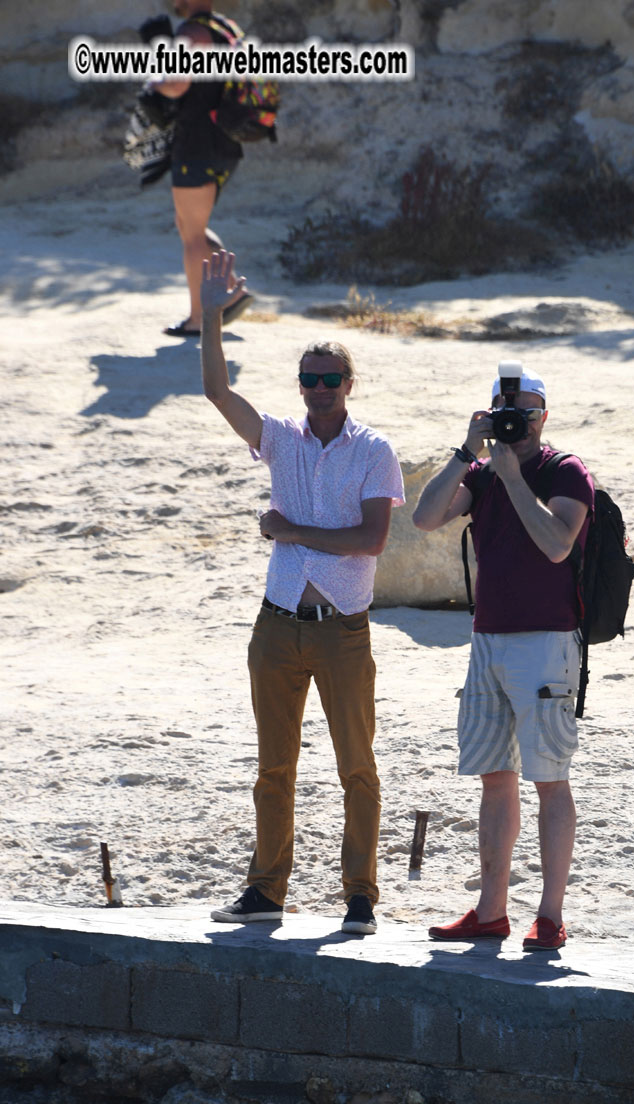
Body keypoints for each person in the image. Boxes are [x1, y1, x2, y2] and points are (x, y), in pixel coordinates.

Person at [201, 249, 405, 933]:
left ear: (350, 383)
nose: (319, 388)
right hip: (277, 624)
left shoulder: (372, 449)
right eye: (310, 378)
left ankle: (360, 895)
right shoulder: (281, 441)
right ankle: (266, 891)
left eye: (331, 378)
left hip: (343, 626)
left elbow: (371, 539)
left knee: (357, 767)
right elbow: (218, 394)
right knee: (272, 768)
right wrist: (210, 317)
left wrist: (290, 529)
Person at [412, 367, 594, 950]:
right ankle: (491, 911)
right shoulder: (482, 473)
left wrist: (514, 478)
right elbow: (424, 518)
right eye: (504, 414)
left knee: (550, 780)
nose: (515, 424)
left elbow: (557, 543)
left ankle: (549, 913)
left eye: (526, 413)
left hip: (546, 644)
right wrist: (466, 451)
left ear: (545, 417)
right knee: (495, 778)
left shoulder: (564, 471)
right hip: (487, 641)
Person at [147, 2, 253, 337]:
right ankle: (234, 290)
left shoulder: (192, 32)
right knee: (189, 224)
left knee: (192, 235)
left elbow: (177, 83)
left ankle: (198, 319)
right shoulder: (226, 29)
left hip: (197, 143)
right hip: (225, 141)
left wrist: (153, 85)